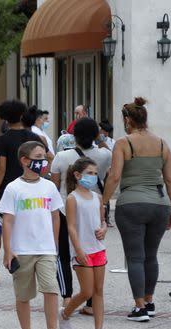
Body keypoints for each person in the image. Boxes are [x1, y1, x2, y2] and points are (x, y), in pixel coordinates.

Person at [102, 97, 171, 322]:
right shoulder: (162, 143)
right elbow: (170, 180)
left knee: (135, 257)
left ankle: (139, 307)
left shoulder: (124, 143)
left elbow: (114, 176)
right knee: (151, 256)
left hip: (132, 204)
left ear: (127, 120)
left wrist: (104, 201)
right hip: (159, 203)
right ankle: (150, 301)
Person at [0, 141, 68, 329]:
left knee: (51, 290)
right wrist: (8, 251)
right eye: (38, 157)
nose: (43, 161)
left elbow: (56, 216)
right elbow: (7, 221)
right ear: (25, 161)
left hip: (45, 250)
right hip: (22, 251)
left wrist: (54, 246)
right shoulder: (13, 188)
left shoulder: (48, 187)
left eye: (44, 157)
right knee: (23, 295)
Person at [50, 118, 111, 308]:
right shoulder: (104, 155)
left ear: (73, 135)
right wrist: (100, 139)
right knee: (91, 250)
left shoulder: (61, 157)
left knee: (63, 255)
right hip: (92, 209)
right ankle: (91, 301)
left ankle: (67, 298)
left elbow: (54, 184)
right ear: (96, 134)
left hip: (63, 209)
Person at [0, 100, 43, 282]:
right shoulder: (33, 137)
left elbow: (1, 168)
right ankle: (30, 265)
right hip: (30, 187)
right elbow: (47, 157)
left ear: (5, 119)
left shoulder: (3, 140)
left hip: (7, 190)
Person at [58, 158, 109, 329]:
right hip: (82, 250)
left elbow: (103, 221)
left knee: (98, 290)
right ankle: (65, 313)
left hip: (98, 249)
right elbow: (71, 227)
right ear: (78, 175)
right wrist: (78, 250)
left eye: (95, 174)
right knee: (86, 291)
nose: (93, 177)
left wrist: (103, 229)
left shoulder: (97, 197)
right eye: (89, 173)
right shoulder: (72, 198)